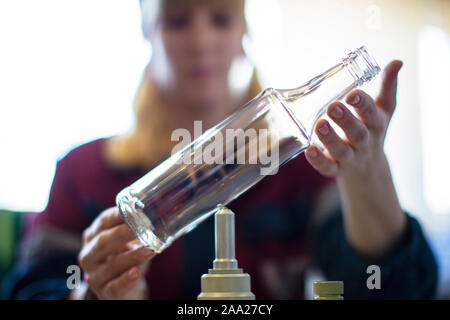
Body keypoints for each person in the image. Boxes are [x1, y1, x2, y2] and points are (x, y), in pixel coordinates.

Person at [3, 0, 437, 300]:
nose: (200, 40)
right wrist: (94, 291)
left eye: (220, 18)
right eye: (176, 20)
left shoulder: (303, 168)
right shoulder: (82, 172)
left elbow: (389, 288)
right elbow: (28, 288)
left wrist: (367, 175)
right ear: (147, 31)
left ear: (244, 31)